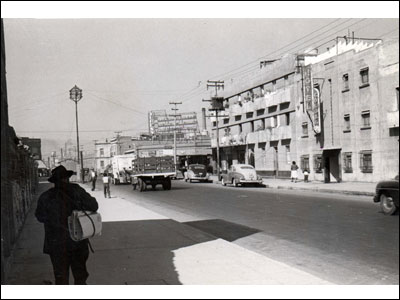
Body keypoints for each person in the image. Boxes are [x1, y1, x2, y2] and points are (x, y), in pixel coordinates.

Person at [35, 165, 99, 285]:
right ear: (67, 178)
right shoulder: (77, 190)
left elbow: (39, 217)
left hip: (57, 245)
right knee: (80, 278)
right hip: (78, 243)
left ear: (54, 182)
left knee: (61, 279)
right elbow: (94, 206)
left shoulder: (46, 196)